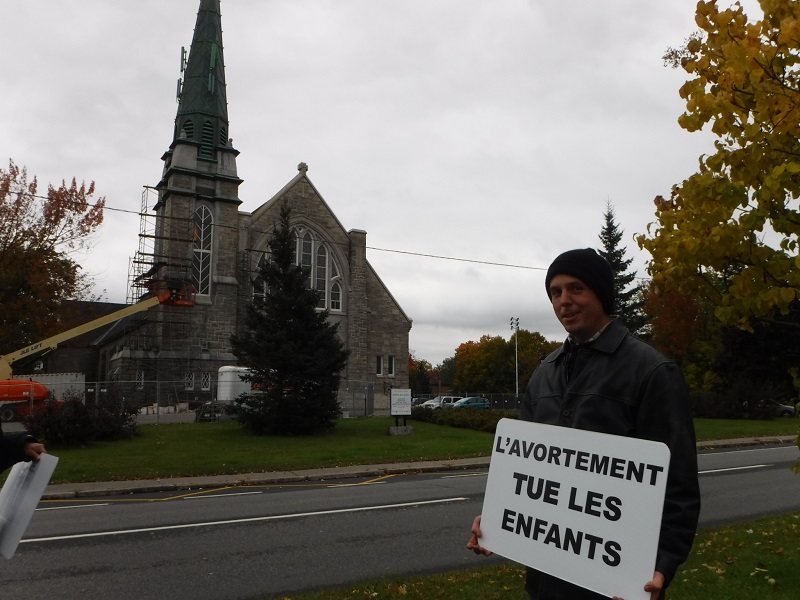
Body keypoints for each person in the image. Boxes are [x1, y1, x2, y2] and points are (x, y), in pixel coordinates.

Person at [467, 248, 700, 600]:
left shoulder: (651, 372)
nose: (564, 301)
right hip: (545, 581)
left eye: (576, 288)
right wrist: (497, 521)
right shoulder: (544, 373)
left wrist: (662, 564)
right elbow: (522, 471)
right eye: (555, 292)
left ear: (601, 294)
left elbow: (678, 488)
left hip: (616, 583)